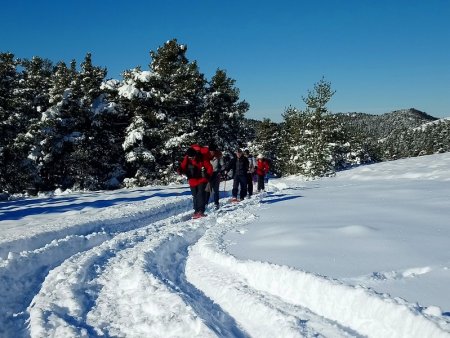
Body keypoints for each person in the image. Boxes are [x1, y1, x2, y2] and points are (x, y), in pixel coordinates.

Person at [179, 146, 213, 218]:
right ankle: (196, 211)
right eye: (190, 158)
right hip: (192, 181)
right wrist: (179, 170)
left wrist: (208, 175)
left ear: (195, 155)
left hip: (201, 179)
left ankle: (200, 211)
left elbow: (210, 167)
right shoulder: (187, 159)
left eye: (193, 157)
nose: (192, 159)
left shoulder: (201, 158)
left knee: (200, 194)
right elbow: (182, 167)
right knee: (195, 196)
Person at [205, 143, 224, 209]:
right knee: (207, 190)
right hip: (209, 175)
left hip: (216, 174)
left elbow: (222, 165)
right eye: (210, 151)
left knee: (216, 190)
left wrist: (221, 170)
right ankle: (205, 203)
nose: (211, 152)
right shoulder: (206, 156)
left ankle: (216, 203)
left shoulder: (218, 156)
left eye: (213, 151)